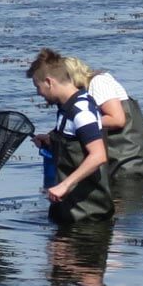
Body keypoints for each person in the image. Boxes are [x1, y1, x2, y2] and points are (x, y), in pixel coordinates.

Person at [28, 49, 111, 225]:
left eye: (38, 86)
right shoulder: (65, 109)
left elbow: (98, 155)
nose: (38, 93)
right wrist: (50, 141)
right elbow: (74, 144)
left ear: (49, 82)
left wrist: (64, 185)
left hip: (88, 216)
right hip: (68, 209)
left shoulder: (81, 111)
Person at [64, 56, 143, 179]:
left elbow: (117, 119)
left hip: (127, 160)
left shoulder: (98, 82)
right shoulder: (92, 85)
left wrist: (82, 125)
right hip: (124, 160)